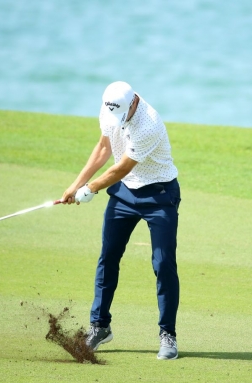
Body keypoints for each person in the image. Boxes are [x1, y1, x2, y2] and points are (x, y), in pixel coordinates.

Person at [61, 81, 181, 360]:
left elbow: (122, 166)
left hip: (159, 195)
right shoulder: (109, 109)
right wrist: (76, 184)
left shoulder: (149, 123)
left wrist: (90, 189)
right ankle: (100, 326)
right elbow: (104, 148)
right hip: (124, 194)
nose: (116, 120)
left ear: (134, 103)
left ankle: (168, 335)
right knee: (108, 257)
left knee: (163, 263)